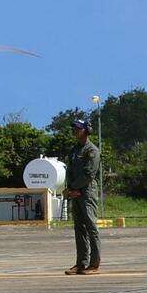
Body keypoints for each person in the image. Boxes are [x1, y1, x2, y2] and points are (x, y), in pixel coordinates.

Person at [64, 114, 102, 274]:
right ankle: (81, 263)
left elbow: (89, 174)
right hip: (76, 192)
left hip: (87, 192)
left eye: (78, 128)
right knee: (79, 228)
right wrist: (70, 189)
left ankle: (94, 263)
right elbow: (70, 171)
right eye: (74, 128)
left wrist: (74, 187)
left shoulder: (91, 150)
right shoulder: (75, 149)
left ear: (86, 130)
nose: (74, 131)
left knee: (91, 227)